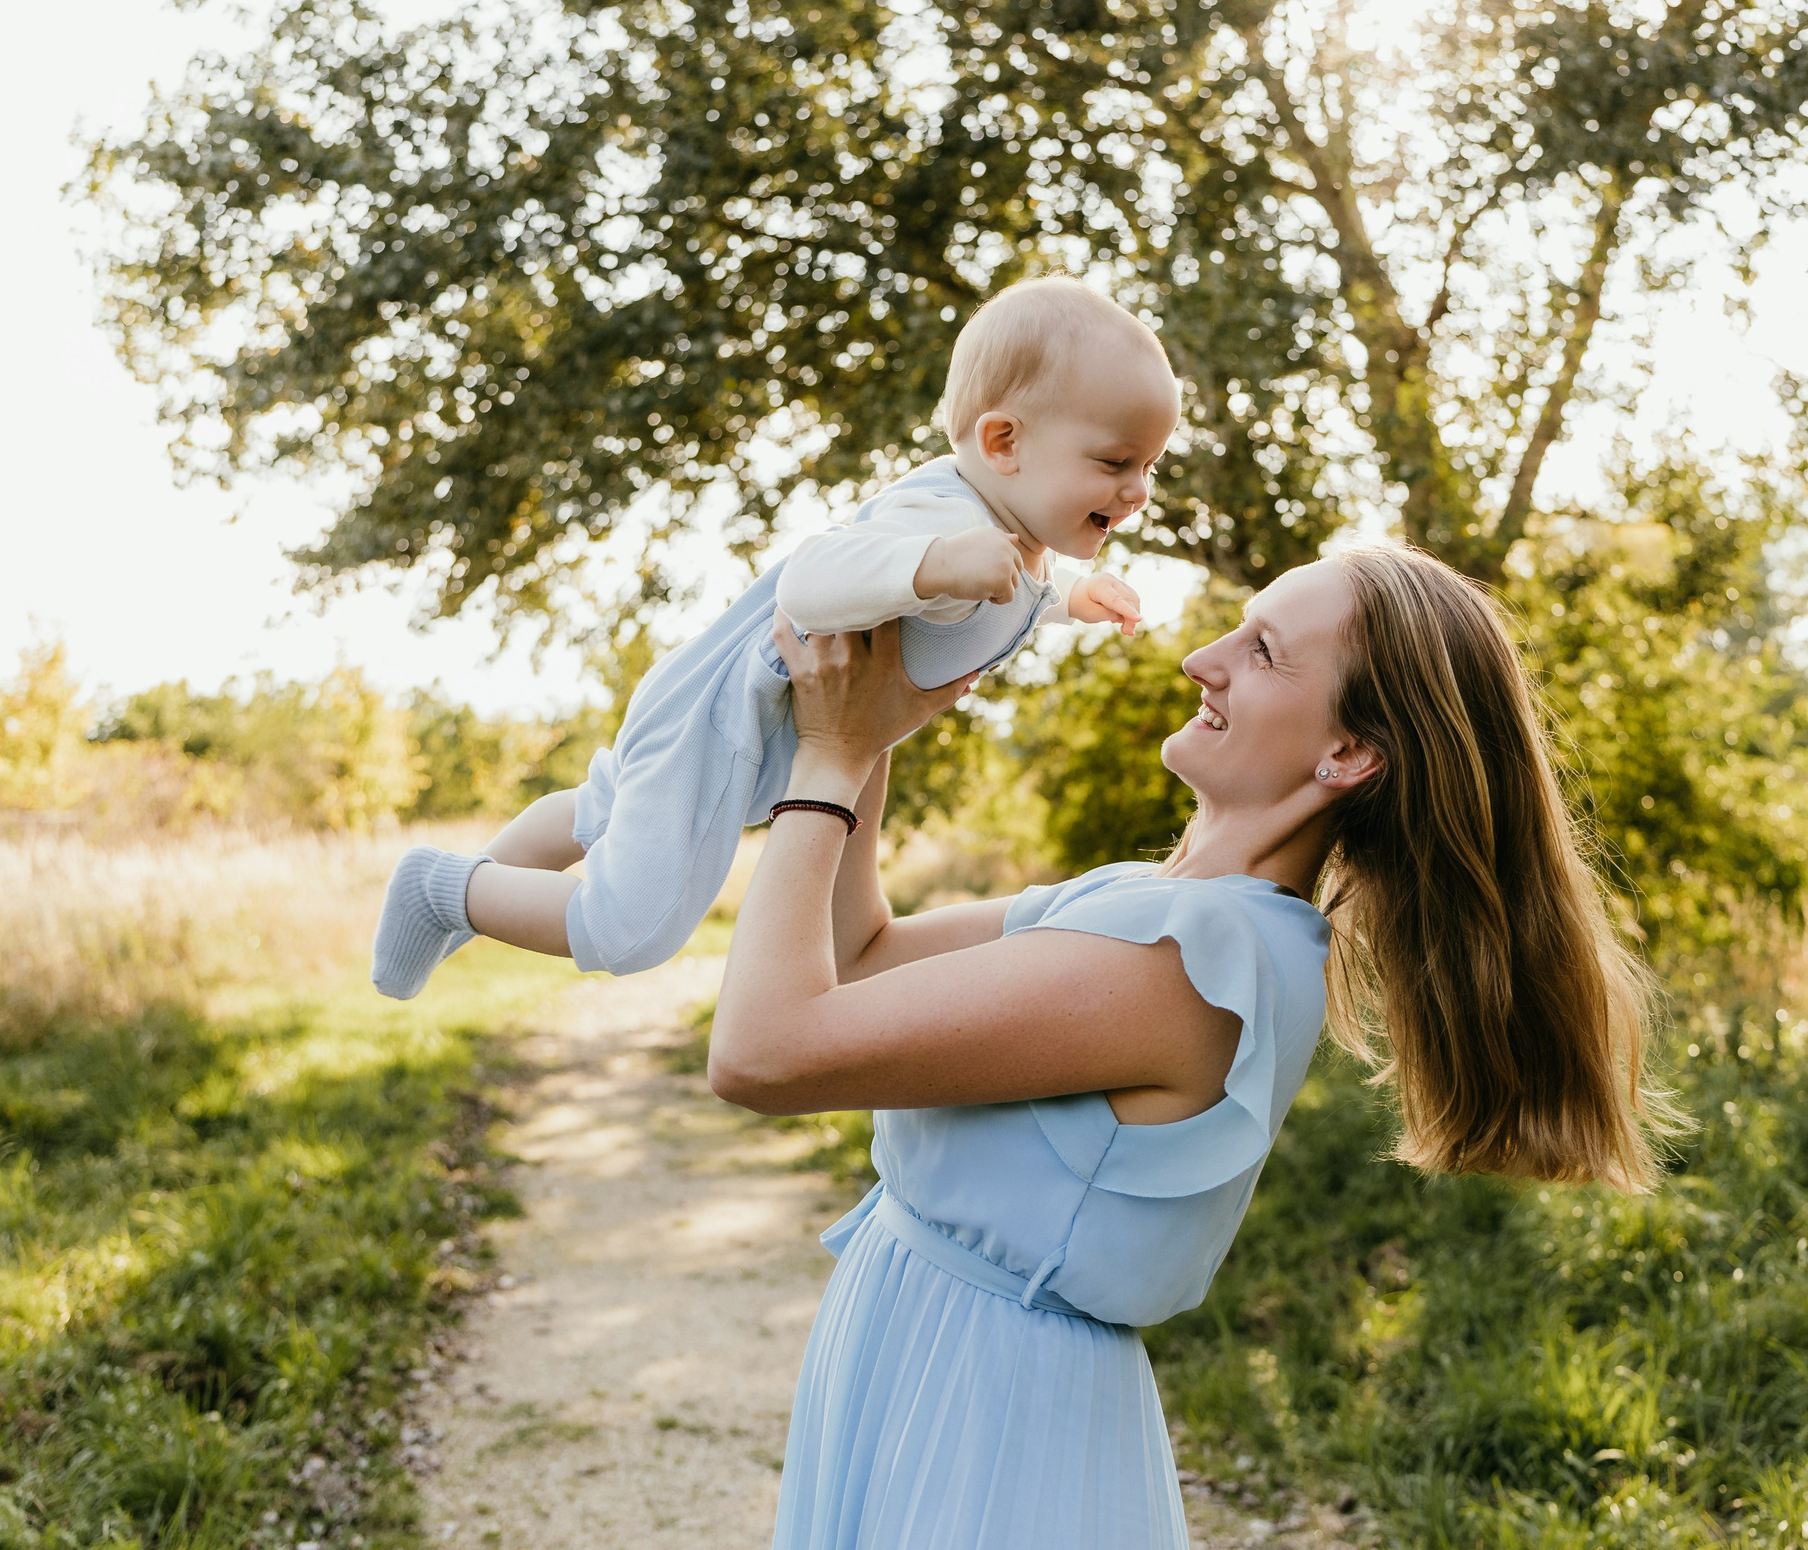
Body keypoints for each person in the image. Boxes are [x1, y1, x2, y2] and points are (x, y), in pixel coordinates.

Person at [712, 543, 1663, 1548]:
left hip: (988, 1422)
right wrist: (870, 734)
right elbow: (857, 958)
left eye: (1262, 651)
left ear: (1345, 754)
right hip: (917, 1365)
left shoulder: (1198, 954)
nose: (1202, 657)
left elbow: (763, 1052)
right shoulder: (1148, 902)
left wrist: (821, 765)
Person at [368, 277, 1176, 998]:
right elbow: (811, 580)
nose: (1137, 490)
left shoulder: (1010, 542)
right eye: (1116, 461)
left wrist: (1074, 597)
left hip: (734, 729)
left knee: (603, 809)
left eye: (1150, 466)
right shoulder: (943, 519)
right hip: (721, 725)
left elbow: (1009, 592)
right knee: (633, 932)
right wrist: (935, 565)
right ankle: (443, 888)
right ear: (1004, 443)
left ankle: (472, 905)